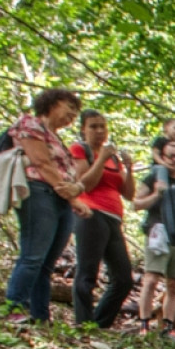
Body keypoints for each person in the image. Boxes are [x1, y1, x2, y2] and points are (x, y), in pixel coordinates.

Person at [3, 87, 89, 324]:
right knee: (32, 255)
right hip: (40, 192)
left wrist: (74, 192)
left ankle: (40, 316)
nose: (72, 115)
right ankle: (15, 307)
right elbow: (41, 162)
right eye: (69, 107)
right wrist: (73, 198)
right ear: (52, 103)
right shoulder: (30, 124)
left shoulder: (56, 137)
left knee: (46, 263)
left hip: (60, 198)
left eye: (75, 111)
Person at [68, 109, 137, 328]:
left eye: (102, 126)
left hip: (113, 218)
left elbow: (128, 193)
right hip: (90, 213)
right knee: (88, 272)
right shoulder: (80, 150)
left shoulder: (113, 158)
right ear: (83, 129)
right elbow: (84, 183)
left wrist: (129, 168)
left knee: (124, 279)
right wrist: (102, 159)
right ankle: (83, 323)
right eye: (93, 126)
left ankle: (98, 324)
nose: (99, 131)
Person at [131, 136, 175, 335]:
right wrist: (157, 194)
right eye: (170, 156)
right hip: (158, 232)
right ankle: (144, 324)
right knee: (152, 278)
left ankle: (168, 326)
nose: (174, 160)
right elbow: (136, 204)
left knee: (174, 282)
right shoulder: (154, 176)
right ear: (162, 156)